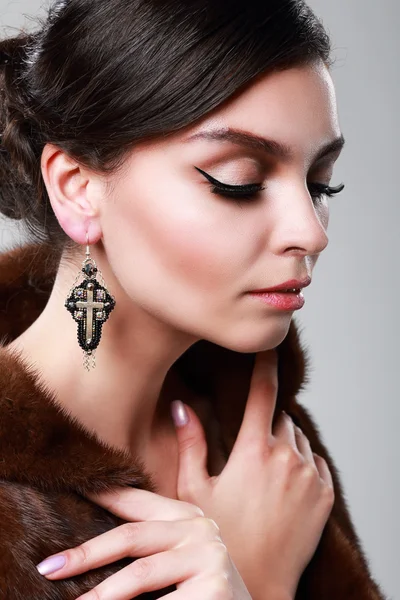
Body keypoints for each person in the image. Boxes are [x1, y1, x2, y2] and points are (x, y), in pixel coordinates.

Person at [0, 0, 387, 599]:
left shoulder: (263, 450)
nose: (311, 232)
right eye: (240, 182)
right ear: (77, 189)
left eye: (320, 184)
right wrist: (255, 581)